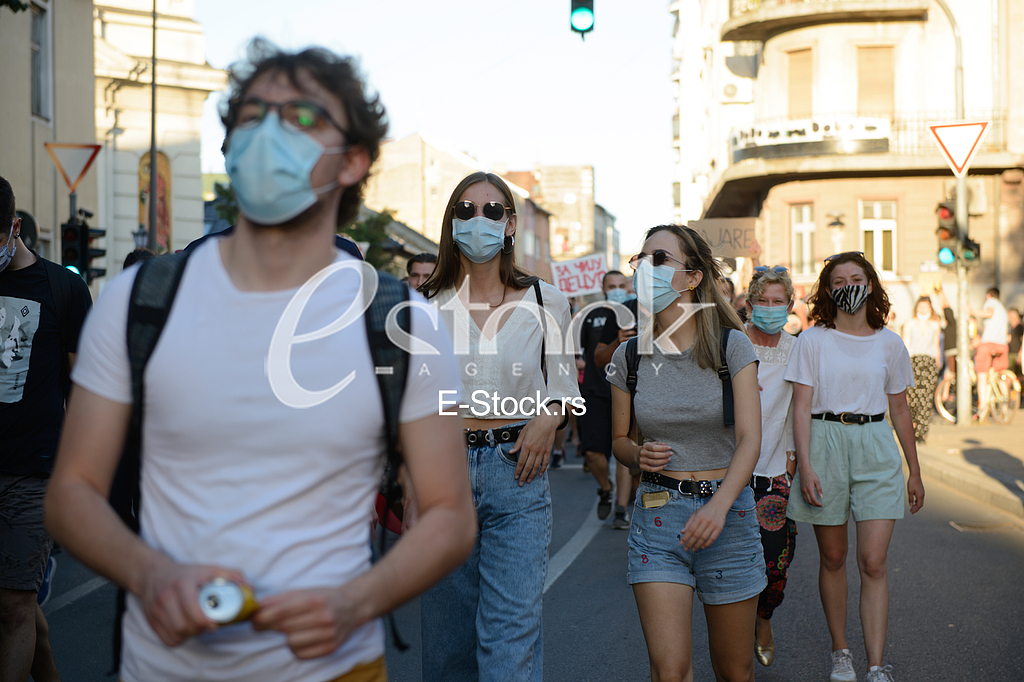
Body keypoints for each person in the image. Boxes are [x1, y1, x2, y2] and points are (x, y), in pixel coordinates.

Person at [44, 41, 476, 682]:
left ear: (353, 160)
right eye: (252, 116)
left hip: (336, 668)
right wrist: (150, 574)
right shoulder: (139, 303)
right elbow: (71, 492)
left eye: (302, 118)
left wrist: (356, 601)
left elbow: (448, 514)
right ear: (229, 146)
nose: (271, 134)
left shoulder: (401, 323)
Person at [418, 171, 581, 682]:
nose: (478, 220)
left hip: (518, 472)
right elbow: (413, 399)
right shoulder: (423, 305)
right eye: (465, 211)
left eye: (492, 211)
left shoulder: (546, 301)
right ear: (451, 223)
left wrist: (548, 418)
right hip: (443, 473)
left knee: (509, 640)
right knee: (447, 647)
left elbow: (565, 388)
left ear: (510, 224)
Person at [608, 224, 763, 682]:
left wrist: (718, 507)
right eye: (641, 260)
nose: (644, 270)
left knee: (734, 671)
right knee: (670, 671)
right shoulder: (629, 356)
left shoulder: (733, 346)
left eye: (660, 260)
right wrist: (637, 455)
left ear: (693, 278)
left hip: (727, 515)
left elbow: (750, 440)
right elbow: (618, 441)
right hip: (658, 519)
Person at [785, 252, 924, 682]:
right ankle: (840, 650)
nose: (849, 285)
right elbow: (801, 407)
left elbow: (900, 409)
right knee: (833, 556)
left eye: (857, 277)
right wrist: (804, 466)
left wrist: (914, 471)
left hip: (876, 445)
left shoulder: (890, 342)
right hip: (825, 442)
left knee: (874, 561)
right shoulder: (812, 340)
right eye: (839, 279)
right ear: (828, 290)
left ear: (871, 284)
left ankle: (876, 665)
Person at [1, 175, 92, 682]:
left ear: (14, 228)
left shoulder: (64, 288)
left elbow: (84, 387)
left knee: (14, 606)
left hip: (32, 471)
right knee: (12, 607)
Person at [742, 265, 798, 669]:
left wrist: (794, 460)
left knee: (775, 559)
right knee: (730, 558)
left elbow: (802, 405)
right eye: (763, 301)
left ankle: (764, 618)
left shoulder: (797, 349)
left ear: (790, 306)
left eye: (778, 302)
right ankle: (737, 629)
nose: (770, 308)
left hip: (775, 468)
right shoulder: (733, 344)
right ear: (750, 303)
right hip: (727, 470)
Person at [577, 270, 630, 521]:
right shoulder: (590, 316)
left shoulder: (634, 313)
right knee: (592, 453)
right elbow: (585, 356)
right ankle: (606, 489)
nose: (617, 289)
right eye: (612, 285)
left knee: (622, 452)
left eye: (621, 285)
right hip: (595, 390)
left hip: (627, 393)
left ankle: (620, 510)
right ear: (603, 288)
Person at [901, 296, 942, 442]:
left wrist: (938, 362)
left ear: (930, 308)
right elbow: (905, 345)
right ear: (916, 307)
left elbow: (936, 345)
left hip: (929, 362)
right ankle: (912, 427)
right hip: (913, 361)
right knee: (912, 396)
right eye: (920, 306)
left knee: (925, 397)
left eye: (926, 307)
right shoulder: (910, 324)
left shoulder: (935, 325)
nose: (923, 309)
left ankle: (922, 431)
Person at [969, 287, 1010, 421]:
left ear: (988, 295)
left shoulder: (991, 302)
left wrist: (971, 311)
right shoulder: (1003, 309)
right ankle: (1005, 406)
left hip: (988, 344)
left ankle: (982, 407)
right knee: (1000, 373)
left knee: (982, 376)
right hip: (1002, 345)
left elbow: (989, 313)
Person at [934, 285, 957, 380]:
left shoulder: (951, 324)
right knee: (946, 374)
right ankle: (945, 393)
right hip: (945, 353)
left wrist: (940, 294)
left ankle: (948, 392)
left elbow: (945, 306)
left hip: (952, 351)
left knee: (951, 373)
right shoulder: (940, 329)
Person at [1008, 308, 1022, 379]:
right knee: (1009, 374)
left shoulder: (1020, 327)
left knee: (1019, 375)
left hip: (1017, 354)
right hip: (1010, 353)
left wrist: (1020, 355)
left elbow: (1023, 341)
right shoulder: (1010, 328)